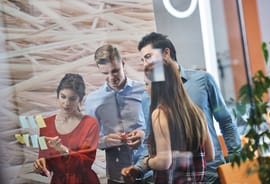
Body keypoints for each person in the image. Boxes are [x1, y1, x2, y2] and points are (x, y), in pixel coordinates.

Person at [122, 32, 242, 184]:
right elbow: (151, 140)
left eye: (148, 57)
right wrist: (140, 169)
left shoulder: (203, 80)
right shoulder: (148, 98)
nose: (145, 64)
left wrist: (236, 161)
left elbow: (225, 121)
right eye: (142, 60)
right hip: (173, 178)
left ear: (166, 53)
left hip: (211, 172)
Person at [123, 59, 214, 183]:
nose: (145, 89)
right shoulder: (197, 112)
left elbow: (164, 161)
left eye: (147, 84)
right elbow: (210, 155)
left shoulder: (160, 114)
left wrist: (147, 162)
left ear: (157, 86)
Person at [85, 44, 146, 184]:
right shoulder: (92, 100)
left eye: (115, 71)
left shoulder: (144, 90)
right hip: (117, 177)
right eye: (105, 73)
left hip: (149, 172)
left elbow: (160, 126)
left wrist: (143, 134)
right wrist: (104, 141)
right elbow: (88, 141)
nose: (111, 77)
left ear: (123, 63)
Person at [33, 73, 100, 184]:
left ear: (80, 100)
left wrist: (63, 150)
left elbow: (86, 162)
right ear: (57, 95)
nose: (66, 103)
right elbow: (45, 162)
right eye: (63, 97)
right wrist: (40, 165)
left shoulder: (90, 123)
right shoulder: (45, 124)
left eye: (72, 99)